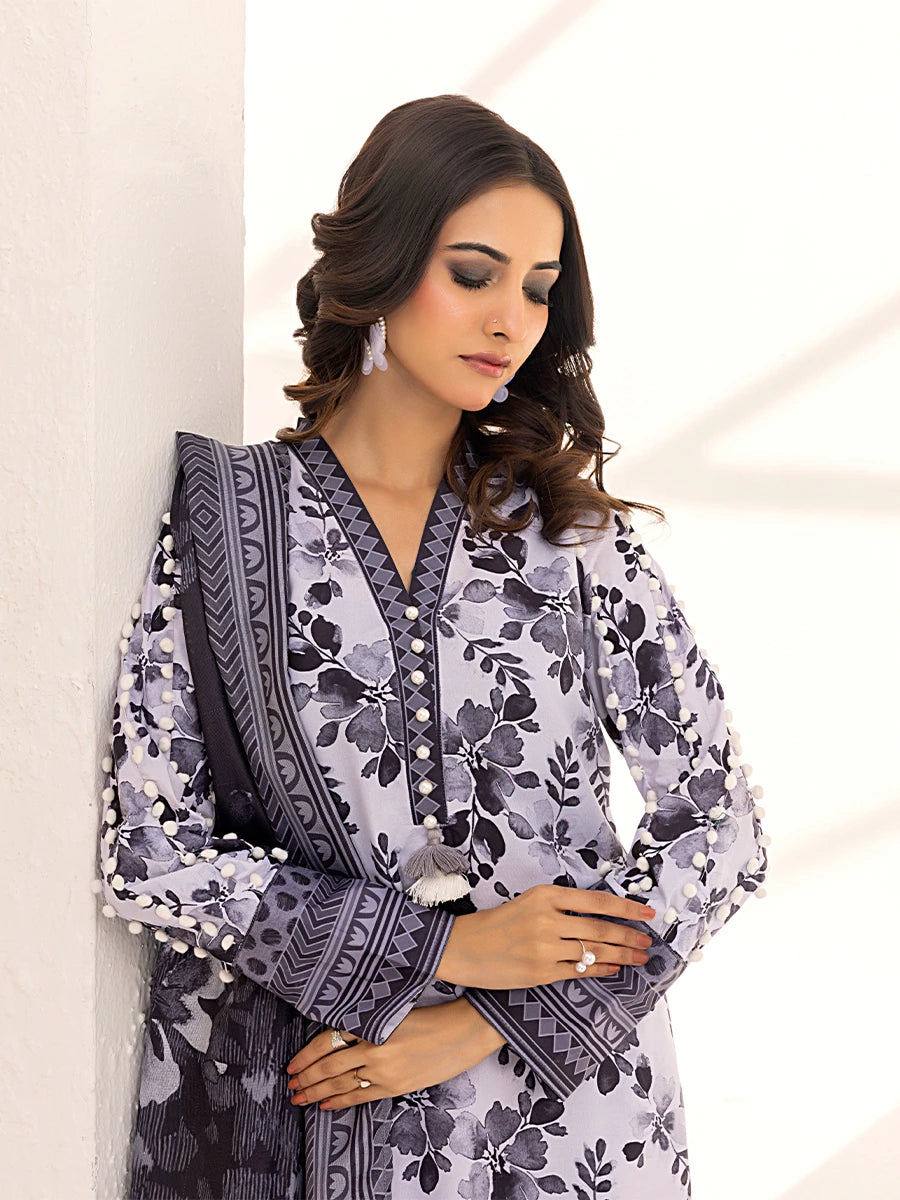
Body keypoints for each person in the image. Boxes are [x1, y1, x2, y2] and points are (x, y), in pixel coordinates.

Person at [97, 94, 770, 1199]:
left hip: (572, 1128)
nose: (511, 320)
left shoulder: (574, 541)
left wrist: (489, 1017)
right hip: (324, 1112)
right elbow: (151, 851)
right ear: (382, 262)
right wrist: (446, 951)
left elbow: (720, 827)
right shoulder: (229, 524)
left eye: (539, 289)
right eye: (473, 273)